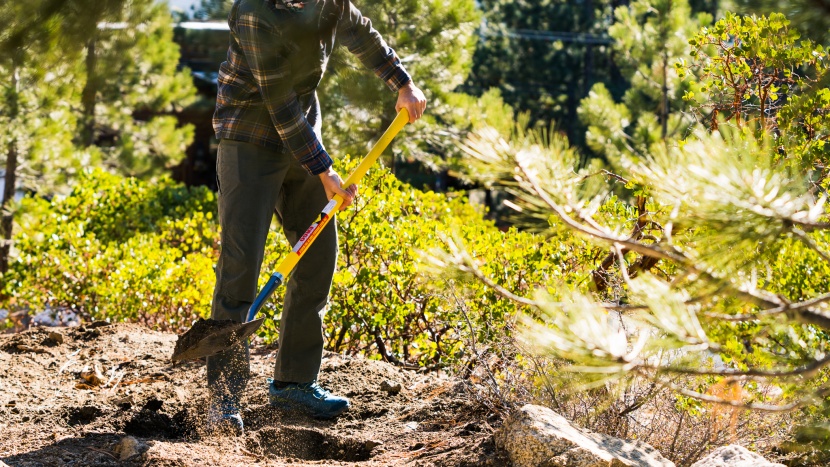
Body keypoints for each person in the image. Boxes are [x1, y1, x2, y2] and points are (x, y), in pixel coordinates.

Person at [207, 0, 427, 434]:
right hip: (248, 134)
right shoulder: (253, 10)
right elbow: (278, 101)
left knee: (317, 257)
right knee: (240, 267)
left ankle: (294, 382)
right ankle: (224, 397)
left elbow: (361, 32)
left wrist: (401, 82)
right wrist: (324, 170)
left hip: (303, 132)